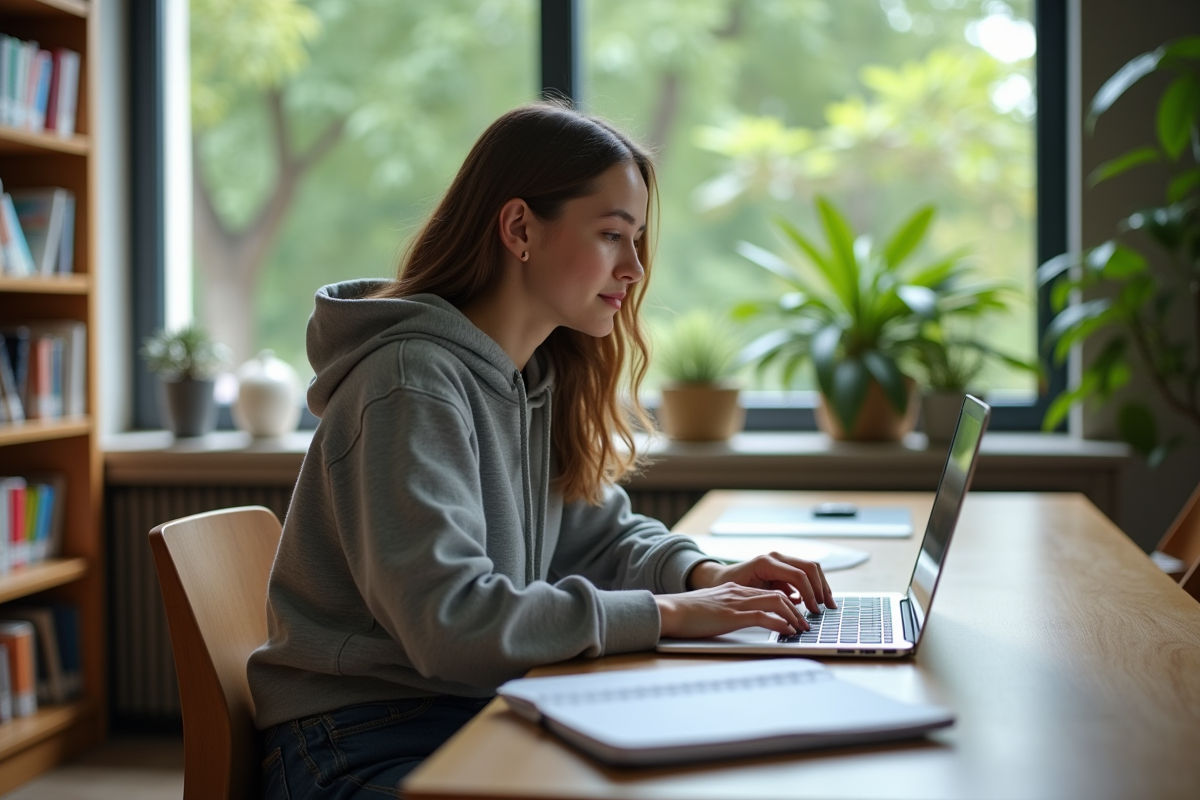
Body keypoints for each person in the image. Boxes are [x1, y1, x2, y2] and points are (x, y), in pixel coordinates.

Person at [248, 102, 836, 800]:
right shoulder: (411, 382)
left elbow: (601, 535)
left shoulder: (529, 374)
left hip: (469, 708)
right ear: (521, 228)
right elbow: (452, 625)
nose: (636, 269)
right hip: (361, 741)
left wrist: (706, 575)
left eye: (639, 240)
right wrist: (670, 616)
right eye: (614, 235)